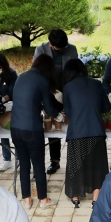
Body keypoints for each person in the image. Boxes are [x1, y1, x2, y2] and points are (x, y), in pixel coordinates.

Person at [11, 54, 59, 208]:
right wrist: (58, 114)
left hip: (15, 128)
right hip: (31, 128)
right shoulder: (42, 81)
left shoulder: (21, 76)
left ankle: (27, 199)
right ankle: (44, 200)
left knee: (24, 164)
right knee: (38, 164)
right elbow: (49, 108)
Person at [61, 59, 111, 207]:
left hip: (77, 131)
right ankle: (96, 198)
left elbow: (69, 112)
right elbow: (106, 107)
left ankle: (75, 197)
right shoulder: (96, 84)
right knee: (97, 165)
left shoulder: (68, 87)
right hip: (96, 130)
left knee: (76, 164)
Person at [33, 29, 78, 176]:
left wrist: (69, 91)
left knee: (72, 123)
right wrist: (54, 91)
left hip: (69, 91)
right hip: (50, 93)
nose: (63, 50)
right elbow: (38, 74)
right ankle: (55, 160)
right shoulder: (41, 50)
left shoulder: (71, 49)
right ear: (51, 45)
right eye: (59, 48)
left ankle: (75, 161)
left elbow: (75, 71)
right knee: (53, 127)